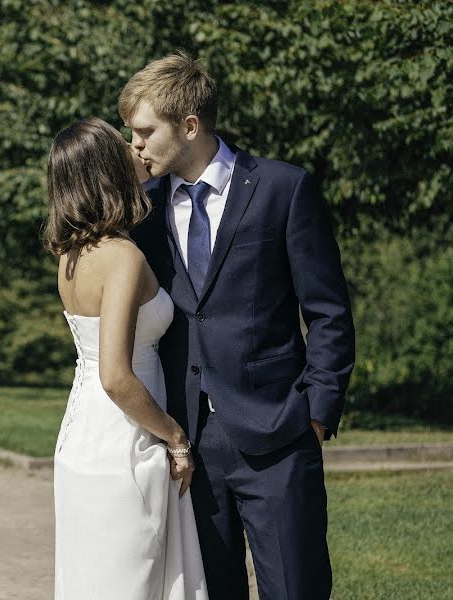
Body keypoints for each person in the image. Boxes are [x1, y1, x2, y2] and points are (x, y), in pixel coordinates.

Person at [121, 52, 355, 600]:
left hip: (278, 434)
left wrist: (316, 412)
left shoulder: (283, 188)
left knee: (296, 589)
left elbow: (328, 312)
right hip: (187, 447)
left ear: (190, 125)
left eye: (144, 132)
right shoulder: (144, 210)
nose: (134, 145)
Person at [44, 117, 208, 600]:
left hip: (81, 437)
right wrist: (175, 437)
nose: (136, 150)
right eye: (122, 147)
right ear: (104, 172)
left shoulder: (73, 254)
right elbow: (115, 375)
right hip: (124, 441)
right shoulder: (121, 258)